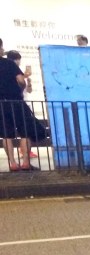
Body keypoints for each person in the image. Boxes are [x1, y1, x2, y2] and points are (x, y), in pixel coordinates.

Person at [0, 38, 35, 171]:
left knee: (6, 135)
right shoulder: (9, 63)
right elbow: (21, 81)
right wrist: (23, 85)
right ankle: (25, 162)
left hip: (1, 104)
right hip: (15, 101)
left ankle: (12, 164)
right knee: (25, 132)